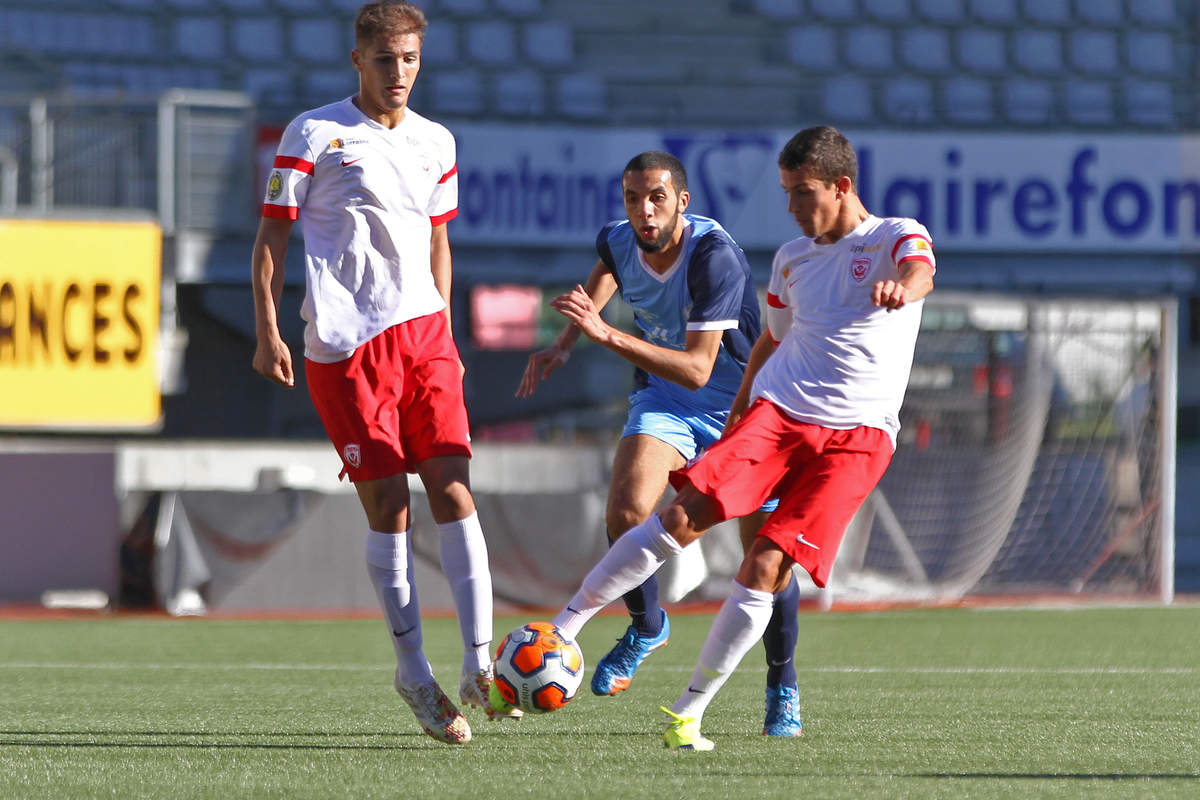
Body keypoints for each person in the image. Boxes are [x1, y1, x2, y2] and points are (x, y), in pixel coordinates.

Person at [540, 125, 936, 750]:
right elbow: (771, 341)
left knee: (766, 561)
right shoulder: (791, 258)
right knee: (674, 514)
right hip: (773, 416)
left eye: (801, 193)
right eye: (785, 193)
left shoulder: (893, 236)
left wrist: (901, 289)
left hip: (857, 436)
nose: (791, 207)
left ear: (842, 186)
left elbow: (920, 272)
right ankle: (565, 630)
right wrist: (742, 415)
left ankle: (746, 693)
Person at [250, 1, 516, 746]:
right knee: (389, 508)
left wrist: (450, 331)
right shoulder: (315, 132)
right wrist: (269, 329)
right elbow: (271, 238)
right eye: (383, 60)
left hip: (425, 334)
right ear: (356, 60)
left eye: (409, 60)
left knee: (455, 487)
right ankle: (415, 674)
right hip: (344, 347)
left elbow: (439, 241)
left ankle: (478, 665)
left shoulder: (438, 142)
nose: (397, 73)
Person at [516, 151, 803, 736]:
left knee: (766, 556)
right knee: (625, 513)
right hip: (666, 402)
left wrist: (603, 333)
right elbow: (607, 266)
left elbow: (700, 369)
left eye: (656, 198)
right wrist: (568, 341)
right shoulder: (621, 239)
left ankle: (783, 682)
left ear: (682, 203)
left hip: (743, 408)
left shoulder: (713, 257)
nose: (643, 211)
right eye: (632, 198)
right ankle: (648, 626)